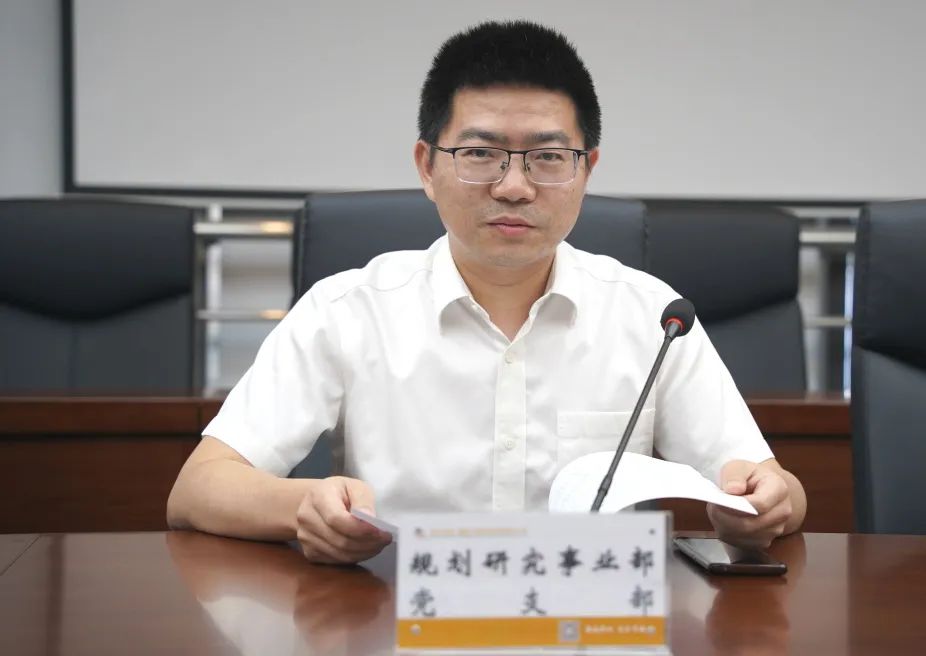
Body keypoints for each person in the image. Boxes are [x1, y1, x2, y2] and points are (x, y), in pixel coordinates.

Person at [167, 20, 806, 565]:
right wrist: (303, 504)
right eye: (480, 154)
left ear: (587, 171)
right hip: (396, 622)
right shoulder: (348, 310)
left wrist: (762, 503)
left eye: (548, 158)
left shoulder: (651, 315)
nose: (514, 187)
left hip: (592, 630)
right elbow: (198, 489)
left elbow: (775, 488)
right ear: (427, 166)